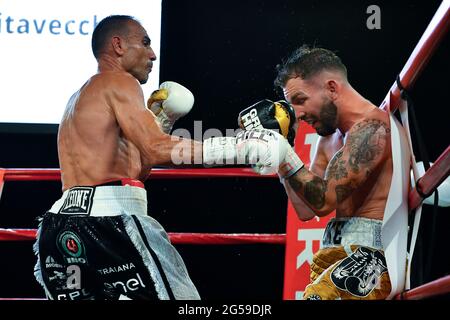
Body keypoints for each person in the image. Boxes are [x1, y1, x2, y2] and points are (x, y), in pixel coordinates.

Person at [32, 14, 284, 300]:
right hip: (109, 225)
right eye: (145, 43)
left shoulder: (78, 99)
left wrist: (162, 122)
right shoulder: (120, 82)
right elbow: (156, 148)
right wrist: (242, 146)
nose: (152, 54)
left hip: (61, 231)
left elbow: (134, 172)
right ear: (117, 45)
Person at [238, 45, 406, 299]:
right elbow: (306, 209)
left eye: (301, 100)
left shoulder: (372, 129)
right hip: (331, 254)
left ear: (332, 88)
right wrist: (279, 155)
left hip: (371, 257)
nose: (297, 113)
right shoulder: (328, 139)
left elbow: (325, 201)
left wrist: (284, 152)